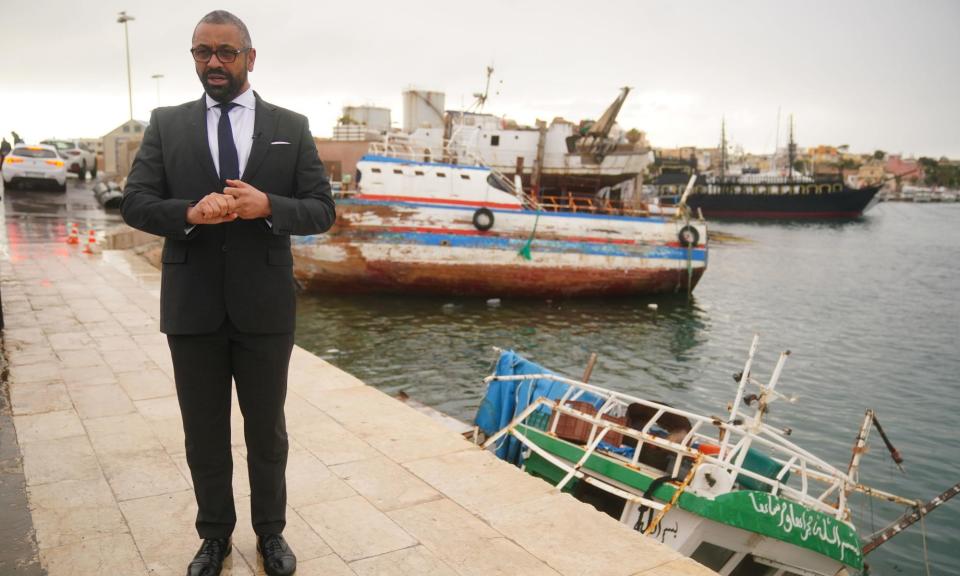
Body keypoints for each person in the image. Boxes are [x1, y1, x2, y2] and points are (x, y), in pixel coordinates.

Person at [120, 10, 335, 576]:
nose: (213, 62)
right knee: (204, 433)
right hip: (192, 308)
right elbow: (135, 201)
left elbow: (322, 209)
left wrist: (271, 207)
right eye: (201, 52)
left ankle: (271, 535)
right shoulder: (166, 123)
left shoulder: (291, 124)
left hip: (264, 308)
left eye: (225, 52)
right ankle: (214, 537)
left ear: (250, 58)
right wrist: (187, 213)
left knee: (267, 431)